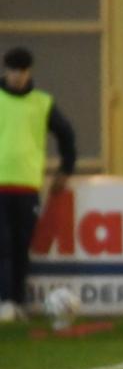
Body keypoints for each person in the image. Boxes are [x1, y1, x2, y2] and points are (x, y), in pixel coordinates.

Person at [0, 47, 76, 322]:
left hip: (27, 186)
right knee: (3, 245)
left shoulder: (42, 103)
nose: (18, 76)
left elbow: (66, 134)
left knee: (21, 247)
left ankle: (17, 303)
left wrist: (66, 169)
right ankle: (4, 302)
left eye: (22, 71)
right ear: (6, 71)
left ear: (29, 72)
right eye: (13, 71)